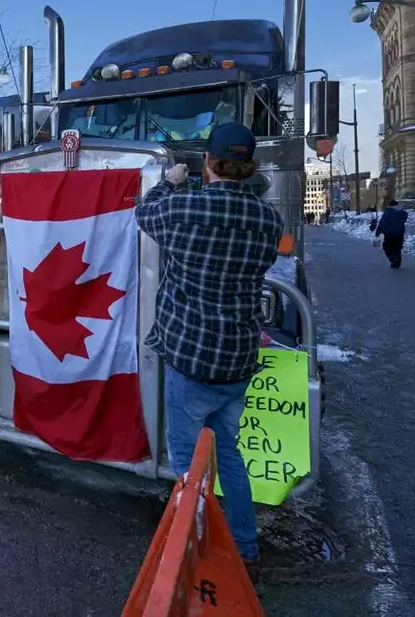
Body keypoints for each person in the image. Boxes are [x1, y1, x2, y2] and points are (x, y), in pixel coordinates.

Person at [135, 122, 283, 577]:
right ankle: (245, 548)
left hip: (192, 359)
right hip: (237, 360)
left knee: (187, 464)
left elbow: (145, 213)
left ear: (208, 163)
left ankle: (192, 546)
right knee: (230, 454)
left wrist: (169, 182)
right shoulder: (268, 219)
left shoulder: (186, 208)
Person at [374, 200, 409, 269]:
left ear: (390, 205)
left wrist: (377, 233)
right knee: (397, 248)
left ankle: (393, 260)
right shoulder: (403, 212)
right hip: (399, 233)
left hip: (389, 234)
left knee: (387, 248)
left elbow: (382, 223)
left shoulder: (388, 212)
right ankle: (397, 261)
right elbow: (404, 219)